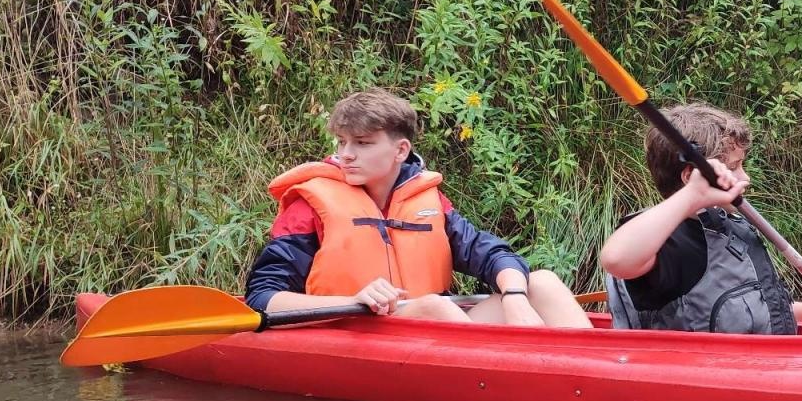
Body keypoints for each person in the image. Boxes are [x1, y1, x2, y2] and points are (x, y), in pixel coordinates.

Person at [244, 88, 592, 328]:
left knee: (541, 282)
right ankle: (511, 377)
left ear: (400, 150)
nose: (346, 154)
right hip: (352, 328)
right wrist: (356, 298)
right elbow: (262, 298)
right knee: (432, 305)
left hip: (432, 333)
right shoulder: (310, 205)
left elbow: (493, 254)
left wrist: (515, 296)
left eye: (363, 143)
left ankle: (592, 373)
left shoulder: (427, 201)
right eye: (341, 142)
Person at [598, 103, 802, 333]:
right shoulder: (671, 243)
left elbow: (758, 311)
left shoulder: (728, 227)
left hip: (767, 369)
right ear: (691, 177)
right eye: (735, 167)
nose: (746, 178)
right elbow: (615, 259)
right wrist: (693, 195)